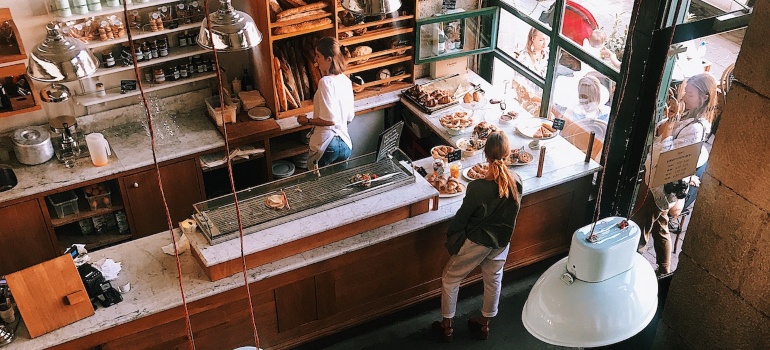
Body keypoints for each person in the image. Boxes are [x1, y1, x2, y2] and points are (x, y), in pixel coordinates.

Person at [432, 131, 524, 342]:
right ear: (508, 154)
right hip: (502, 242)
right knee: (493, 280)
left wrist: (451, 235)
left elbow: (462, 218)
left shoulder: (478, 188)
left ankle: (446, 327)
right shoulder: (517, 181)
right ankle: (484, 325)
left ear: (486, 155)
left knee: (450, 278)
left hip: (478, 242)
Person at [631, 73, 716, 275]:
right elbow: (662, 129)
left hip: (661, 182)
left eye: (690, 94)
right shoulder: (686, 114)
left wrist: (668, 131)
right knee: (661, 224)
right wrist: (671, 116)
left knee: (640, 226)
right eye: (685, 91)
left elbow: (670, 156)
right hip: (657, 176)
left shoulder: (696, 128)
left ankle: (632, 267)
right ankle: (664, 268)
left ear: (703, 98)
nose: (685, 96)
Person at [297, 37, 355, 168]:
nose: (315, 60)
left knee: (317, 185)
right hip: (345, 144)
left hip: (327, 145)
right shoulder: (346, 80)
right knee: (339, 185)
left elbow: (330, 120)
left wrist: (307, 121)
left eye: (318, 56)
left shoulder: (325, 82)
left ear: (329, 59)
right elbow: (349, 118)